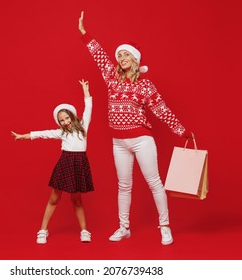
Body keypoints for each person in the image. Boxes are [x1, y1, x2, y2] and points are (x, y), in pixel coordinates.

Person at [78, 11, 194, 245]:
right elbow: (99, 55)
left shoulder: (145, 85)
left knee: (154, 182)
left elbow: (162, 109)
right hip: (118, 142)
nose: (121, 57)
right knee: (124, 185)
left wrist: (182, 131)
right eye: (119, 54)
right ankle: (124, 227)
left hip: (142, 140)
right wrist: (84, 34)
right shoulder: (111, 77)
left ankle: (165, 227)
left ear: (134, 58)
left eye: (125, 54)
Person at [11, 79, 94, 244]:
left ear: (72, 116)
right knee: (54, 199)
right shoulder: (61, 133)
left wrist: (85, 90)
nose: (65, 122)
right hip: (65, 163)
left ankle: (84, 231)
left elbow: (88, 107)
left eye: (67, 118)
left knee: (77, 200)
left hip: (79, 163)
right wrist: (23, 136)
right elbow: (43, 133)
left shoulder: (83, 126)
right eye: (61, 121)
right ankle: (43, 231)